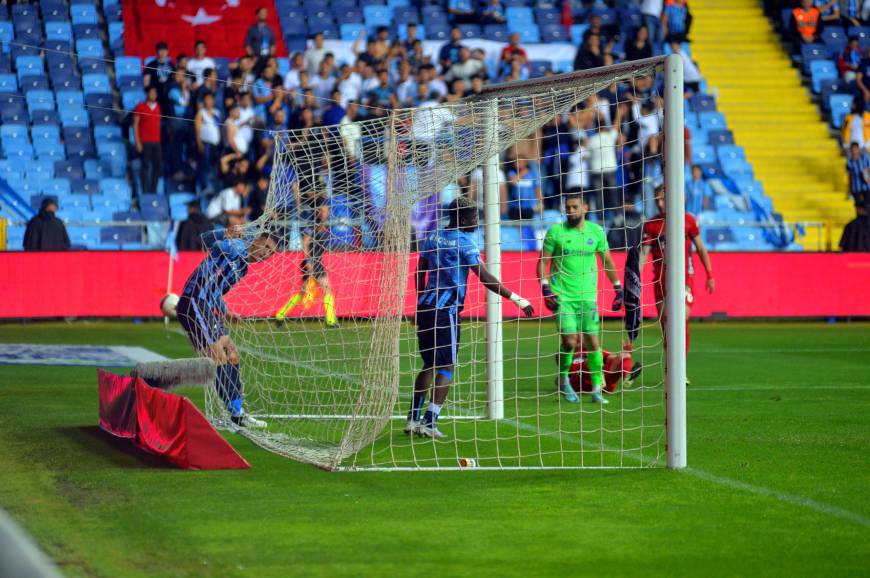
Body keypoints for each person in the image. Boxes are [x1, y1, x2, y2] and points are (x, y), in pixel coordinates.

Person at [407, 197, 534, 438]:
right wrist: (517, 298)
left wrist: (419, 300)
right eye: (474, 217)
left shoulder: (432, 236)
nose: (476, 221)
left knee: (429, 363)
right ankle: (430, 422)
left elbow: (420, 268)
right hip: (446, 312)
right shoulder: (465, 243)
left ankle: (412, 419)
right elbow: (484, 277)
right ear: (462, 218)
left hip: (425, 308)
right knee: (447, 365)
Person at [175, 228, 278, 428]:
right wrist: (225, 233)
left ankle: (237, 413)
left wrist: (225, 312)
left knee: (232, 355)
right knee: (218, 357)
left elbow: (216, 290)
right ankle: (229, 413)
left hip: (205, 306)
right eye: (265, 246)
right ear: (256, 240)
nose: (266, 253)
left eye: (270, 252)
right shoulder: (234, 247)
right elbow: (203, 238)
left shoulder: (243, 269)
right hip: (194, 302)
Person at [537, 194, 623, 404]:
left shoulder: (596, 231)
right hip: (563, 297)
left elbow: (608, 261)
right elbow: (543, 262)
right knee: (570, 341)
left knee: (593, 342)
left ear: (585, 207)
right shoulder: (556, 232)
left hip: (588, 298)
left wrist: (618, 287)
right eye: (568, 207)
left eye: (575, 207)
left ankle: (596, 389)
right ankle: (565, 380)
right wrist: (546, 287)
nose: (571, 211)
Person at [641, 185, 714, 361]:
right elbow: (644, 254)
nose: (659, 203)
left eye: (662, 199)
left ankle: (681, 370)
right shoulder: (651, 225)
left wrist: (710, 275)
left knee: (680, 322)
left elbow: (701, 248)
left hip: (684, 280)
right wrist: (635, 280)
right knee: (666, 326)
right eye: (656, 200)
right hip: (660, 282)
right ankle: (671, 367)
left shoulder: (687, 221)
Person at [275, 197, 338, 327]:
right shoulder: (313, 223)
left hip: (316, 261)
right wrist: (308, 260)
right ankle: (330, 321)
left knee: (304, 292)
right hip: (311, 262)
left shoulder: (326, 224)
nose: (325, 212)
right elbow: (305, 242)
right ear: (318, 210)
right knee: (327, 290)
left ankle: (280, 315)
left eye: (327, 209)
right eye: (323, 210)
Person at [569, 342, 643, 395]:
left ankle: (628, 376)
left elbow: (611, 358)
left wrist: (625, 354)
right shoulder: (569, 353)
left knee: (624, 355)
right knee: (591, 360)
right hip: (581, 381)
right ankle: (599, 378)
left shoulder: (596, 349)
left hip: (603, 382)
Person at [132, 87, 163, 194]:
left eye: (155, 93)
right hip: (145, 141)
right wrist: (137, 142)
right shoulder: (140, 106)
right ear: (147, 94)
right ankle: (145, 191)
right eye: (151, 93)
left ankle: (153, 190)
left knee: (158, 166)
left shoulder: (158, 107)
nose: (153, 95)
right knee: (145, 166)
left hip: (157, 141)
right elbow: (135, 125)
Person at [194, 92, 222, 193]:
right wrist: (199, 143)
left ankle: (213, 187)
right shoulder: (201, 113)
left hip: (216, 144)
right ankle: (204, 186)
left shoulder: (217, 113)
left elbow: (218, 127)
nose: (209, 101)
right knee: (205, 166)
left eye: (211, 99)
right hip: (206, 143)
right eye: (207, 99)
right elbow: (197, 129)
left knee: (214, 167)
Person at [846, 141, 870, 207]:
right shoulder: (850, 162)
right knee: (859, 207)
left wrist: (866, 171)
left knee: (867, 206)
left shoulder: (865, 158)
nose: (854, 151)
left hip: (867, 187)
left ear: (858, 149)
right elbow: (849, 176)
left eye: (855, 149)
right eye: (852, 150)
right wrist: (849, 189)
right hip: (856, 188)